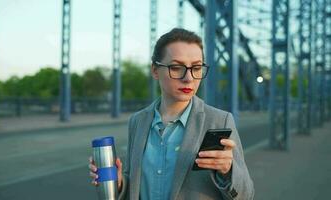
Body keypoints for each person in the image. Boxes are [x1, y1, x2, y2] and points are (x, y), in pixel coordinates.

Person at [89, 28, 254, 200]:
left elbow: (246, 195)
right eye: (176, 67)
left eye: (196, 68)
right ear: (155, 70)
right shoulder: (138, 121)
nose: (189, 78)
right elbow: (136, 187)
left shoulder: (220, 121)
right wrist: (120, 182)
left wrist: (228, 171)